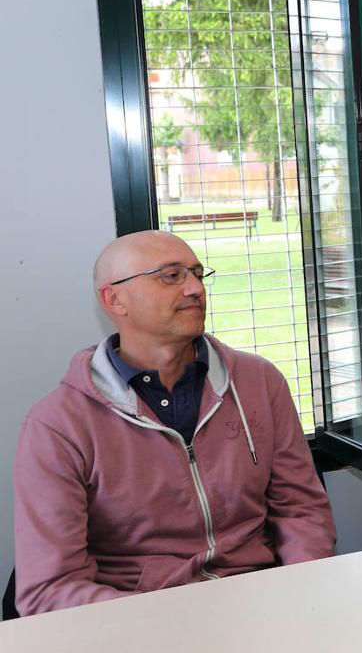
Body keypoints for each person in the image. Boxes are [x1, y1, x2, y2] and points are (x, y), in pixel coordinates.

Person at [13, 231, 335, 616]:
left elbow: (301, 509)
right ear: (114, 299)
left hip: (259, 599)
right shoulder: (58, 425)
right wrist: (172, 621)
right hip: (139, 618)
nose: (195, 289)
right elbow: (48, 590)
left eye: (198, 273)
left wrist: (305, 593)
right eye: (171, 276)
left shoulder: (259, 382)